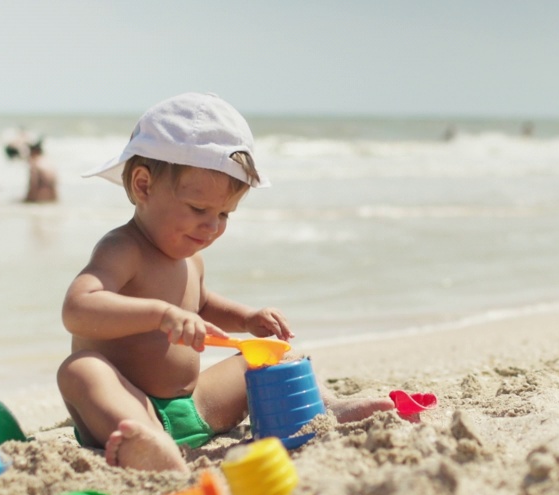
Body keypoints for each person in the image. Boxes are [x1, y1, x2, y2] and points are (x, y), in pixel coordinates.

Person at [57, 92, 393, 472]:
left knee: (272, 353)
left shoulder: (190, 259)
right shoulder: (122, 248)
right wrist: (160, 315)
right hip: (130, 406)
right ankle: (146, 442)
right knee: (80, 369)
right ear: (143, 186)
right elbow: (78, 308)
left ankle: (321, 409)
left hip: (197, 404)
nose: (213, 226)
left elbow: (200, 306)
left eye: (224, 215)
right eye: (199, 209)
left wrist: (248, 319)